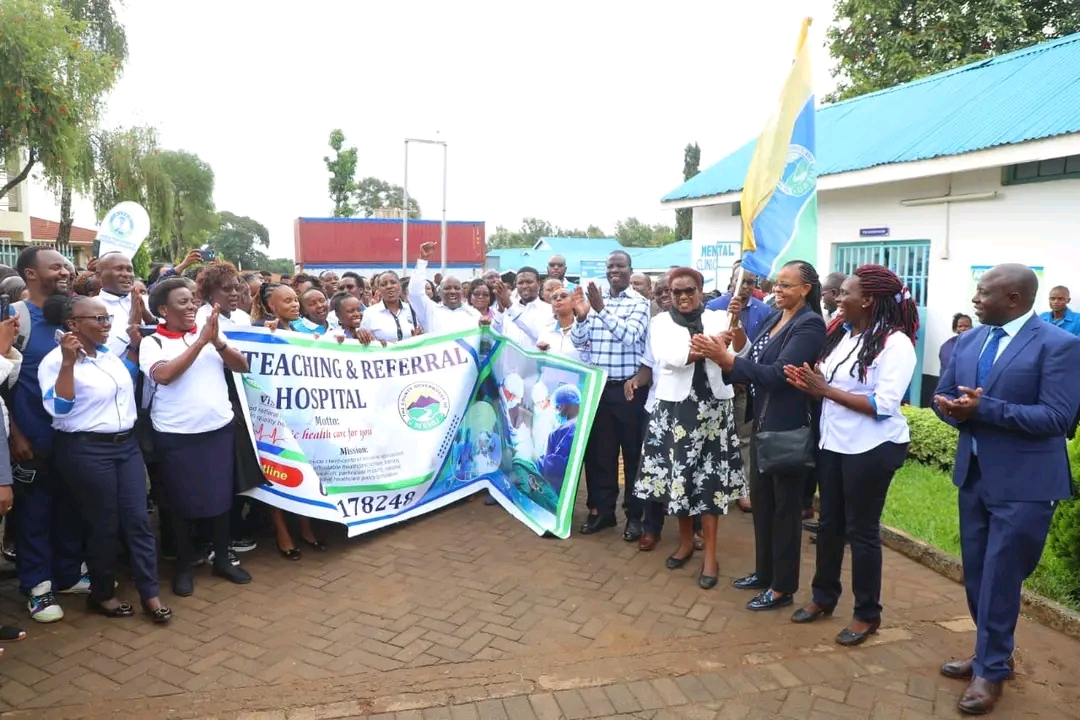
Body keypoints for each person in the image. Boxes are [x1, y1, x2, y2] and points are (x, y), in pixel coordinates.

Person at [932, 264, 1080, 715]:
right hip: (973, 477)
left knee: (1000, 574)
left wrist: (984, 408)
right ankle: (991, 654)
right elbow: (943, 397)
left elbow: (1059, 420)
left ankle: (991, 671)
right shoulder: (969, 340)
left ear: (1014, 299)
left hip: (1027, 483)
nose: (975, 300)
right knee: (977, 573)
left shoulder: (1060, 345)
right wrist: (950, 411)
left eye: (983, 293)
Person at [784, 265, 918, 646]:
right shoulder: (845, 336)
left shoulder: (896, 344)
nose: (838, 299)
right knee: (830, 525)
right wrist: (808, 384)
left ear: (868, 300)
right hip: (835, 444)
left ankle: (866, 614)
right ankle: (823, 597)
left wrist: (824, 390)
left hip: (872, 449)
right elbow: (828, 384)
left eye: (845, 293)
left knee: (861, 531)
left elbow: (884, 404)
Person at [699, 260, 826, 611]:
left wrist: (727, 360)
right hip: (764, 424)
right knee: (763, 505)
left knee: (785, 510)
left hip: (788, 428)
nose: (777, 291)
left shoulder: (809, 325)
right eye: (776, 284)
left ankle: (783, 588)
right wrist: (732, 338)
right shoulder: (775, 316)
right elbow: (753, 353)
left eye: (786, 285)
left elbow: (777, 374)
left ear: (805, 289)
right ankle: (763, 572)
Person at [39, 295, 171, 623]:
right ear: (73, 324)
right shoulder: (54, 362)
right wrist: (69, 363)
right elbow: (57, 408)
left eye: (106, 318)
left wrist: (135, 342)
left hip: (125, 447)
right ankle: (102, 593)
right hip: (87, 450)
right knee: (105, 524)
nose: (105, 324)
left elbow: (129, 377)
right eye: (97, 319)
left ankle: (150, 594)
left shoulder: (107, 356)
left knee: (138, 521)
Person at [139, 278, 252, 596]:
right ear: (163, 309)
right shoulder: (154, 343)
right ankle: (184, 566)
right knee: (179, 505)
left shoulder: (210, 332)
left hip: (217, 431)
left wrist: (216, 341)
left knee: (221, 500)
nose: (191, 307)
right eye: (182, 302)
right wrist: (201, 341)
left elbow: (241, 366)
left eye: (192, 301)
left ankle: (223, 559)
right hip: (177, 436)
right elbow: (164, 375)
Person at [634, 267, 743, 590]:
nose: (683, 297)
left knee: (709, 481)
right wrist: (712, 347)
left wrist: (734, 330)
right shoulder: (660, 323)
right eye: (676, 292)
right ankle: (684, 542)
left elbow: (737, 354)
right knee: (680, 478)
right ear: (668, 293)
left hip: (713, 410)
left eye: (689, 291)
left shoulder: (719, 318)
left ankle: (710, 555)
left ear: (700, 290)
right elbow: (670, 358)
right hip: (675, 410)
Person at [9, 248, 84, 623]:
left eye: (66, 265)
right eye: (55, 266)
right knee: (35, 511)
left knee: (71, 504)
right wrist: (14, 435)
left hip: (72, 435)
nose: (65, 271)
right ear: (30, 274)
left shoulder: (73, 312)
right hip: (33, 437)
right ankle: (38, 586)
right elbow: (2, 384)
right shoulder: (14, 319)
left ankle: (69, 573)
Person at [570, 250, 650, 540]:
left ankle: (634, 516)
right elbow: (579, 343)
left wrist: (601, 310)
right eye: (610, 267)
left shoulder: (639, 304)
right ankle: (603, 512)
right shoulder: (593, 302)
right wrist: (581, 319)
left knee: (631, 455)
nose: (614, 271)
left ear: (630, 271)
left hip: (629, 391)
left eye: (620, 266)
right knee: (599, 455)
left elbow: (629, 336)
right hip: (599, 390)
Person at [707, 265, 769, 514]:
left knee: (743, 439)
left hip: (746, 385)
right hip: (717, 384)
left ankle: (744, 491)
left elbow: (762, 349)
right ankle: (717, 488)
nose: (746, 286)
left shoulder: (764, 311)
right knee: (716, 437)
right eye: (741, 281)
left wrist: (744, 374)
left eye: (751, 282)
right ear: (731, 281)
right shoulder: (713, 307)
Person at [409, 243, 483, 334]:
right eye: (447, 288)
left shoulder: (474, 314)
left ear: (462, 292)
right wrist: (422, 260)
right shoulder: (430, 311)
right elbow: (415, 293)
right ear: (439, 292)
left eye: (456, 288)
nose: (452, 291)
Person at [96, 252, 153, 356]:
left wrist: (149, 318)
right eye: (118, 269)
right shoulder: (91, 307)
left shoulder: (149, 301)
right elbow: (104, 353)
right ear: (99, 275)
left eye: (129, 270)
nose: (126, 274)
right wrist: (132, 325)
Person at [536, 385, 581, 495]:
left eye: (558, 408)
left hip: (558, 487)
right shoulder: (579, 424)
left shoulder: (568, 428)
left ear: (566, 405)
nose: (557, 412)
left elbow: (558, 464)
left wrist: (537, 460)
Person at [360, 271, 418, 343]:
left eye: (393, 282)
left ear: (399, 286)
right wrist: (378, 343)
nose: (389, 286)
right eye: (383, 284)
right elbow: (364, 341)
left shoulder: (412, 310)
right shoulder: (369, 313)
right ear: (378, 290)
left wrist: (417, 338)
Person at [197, 262, 252, 328]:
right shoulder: (200, 320)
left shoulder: (244, 318)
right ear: (209, 292)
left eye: (237, 288)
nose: (234, 293)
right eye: (226, 289)